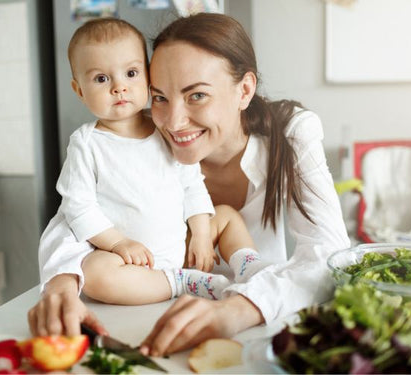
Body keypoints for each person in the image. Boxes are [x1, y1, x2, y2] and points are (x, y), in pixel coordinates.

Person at [28, 13, 350, 355]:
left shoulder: (292, 131)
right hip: (152, 312)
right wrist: (60, 285)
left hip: (263, 320)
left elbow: (330, 255)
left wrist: (237, 309)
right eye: (160, 97)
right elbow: (73, 214)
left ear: (244, 90)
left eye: (196, 95)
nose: (174, 122)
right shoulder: (137, 137)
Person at [40, 17, 266, 310]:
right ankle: (180, 282)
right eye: (101, 79)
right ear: (79, 90)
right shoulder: (86, 144)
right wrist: (118, 244)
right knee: (94, 274)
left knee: (225, 216)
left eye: (131, 73)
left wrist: (199, 230)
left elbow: (191, 183)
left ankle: (250, 269)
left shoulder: (164, 128)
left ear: (147, 77)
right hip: (134, 260)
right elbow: (78, 208)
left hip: (182, 246)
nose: (119, 87)